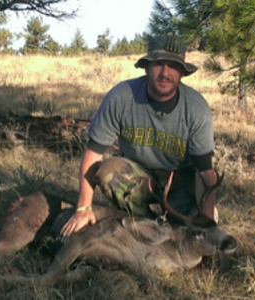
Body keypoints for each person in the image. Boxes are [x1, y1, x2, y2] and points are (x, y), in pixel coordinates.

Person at [61, 35, 218, 236]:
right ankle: (146, 223)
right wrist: (83, 208)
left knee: (189, 230)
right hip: (139, 177)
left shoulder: (196, 108)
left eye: (173, 66)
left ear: (182, 72)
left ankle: (180, 221)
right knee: (107, 170)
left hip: (179, 180)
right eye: (158, 64)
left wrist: (207, 225)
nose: (165, 73)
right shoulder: (121, 97)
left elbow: (205, 174)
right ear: (146, 67)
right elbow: (93, 154)